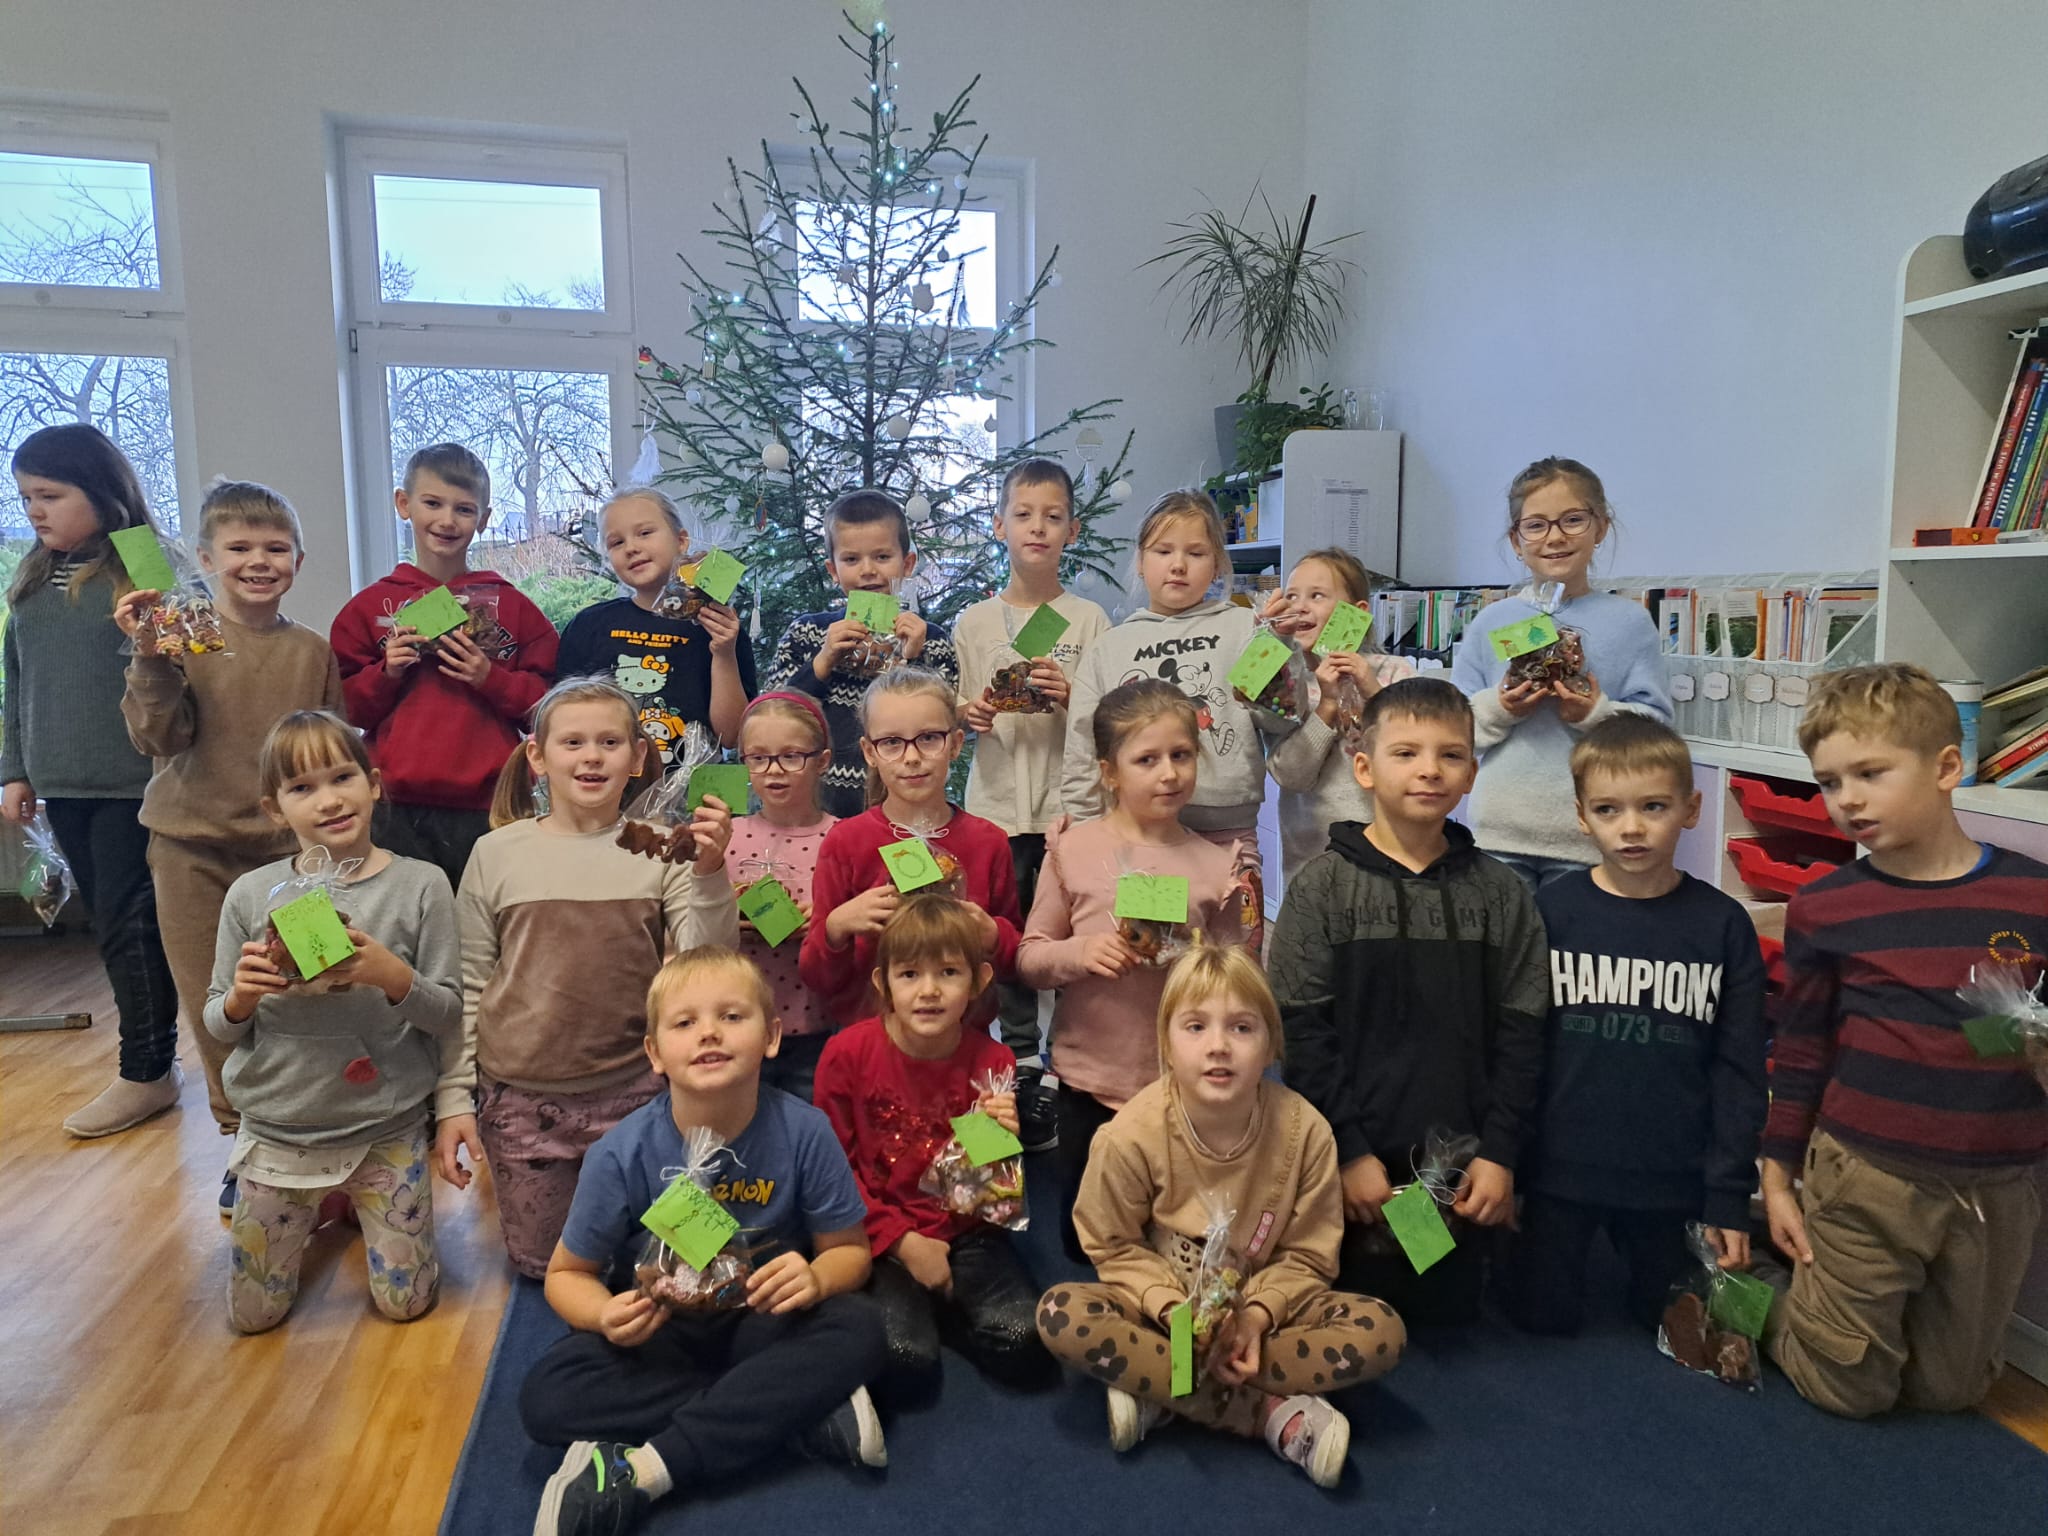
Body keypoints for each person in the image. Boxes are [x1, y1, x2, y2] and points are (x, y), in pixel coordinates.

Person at [520, 947, 889, 1536]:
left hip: (765, 1321)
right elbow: (568, 1276)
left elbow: (850, 1253)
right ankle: (791, 1408)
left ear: (772, 1037)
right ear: (654, 1053)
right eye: (685, 1022)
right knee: (547, 1397)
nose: (709, 1033)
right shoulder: (620, 1152)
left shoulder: (805, 1131)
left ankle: (647, 1469)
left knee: (862, 1326)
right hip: (661, 1332)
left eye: (732, 1016)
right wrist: (605, 1315)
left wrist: (818, 1277)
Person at [1762, 663, 2048, 1418]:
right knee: (1849, 1388)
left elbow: (2021, 1031)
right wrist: (1776, 1172)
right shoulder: (1827, 907)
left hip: (1994, 1186)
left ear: (1947, 768)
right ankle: (1762, 1295)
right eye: (1829, 783)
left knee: (1952, 1391)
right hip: (1867, 1173)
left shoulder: (2034, 897)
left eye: (1870, 773)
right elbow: (1801, 1048)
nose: (1847, 800)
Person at [1035, 944, 1405, 1489]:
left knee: (1381, 1332)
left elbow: (1309, 1255)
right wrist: (1172, 1311)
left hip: (1265, 1316)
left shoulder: (1307, 1133)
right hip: (1160, 1315)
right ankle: (1269, 1412)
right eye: (1195, 1026)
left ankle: (1161, 1388)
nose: (1218, 1046)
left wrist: (1254, 1317)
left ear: (1271, 1044)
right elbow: (1112, 1245)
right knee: (1062, 1314)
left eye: (1241, 1028)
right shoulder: (1129, 1135)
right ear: (1165, 1043)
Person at [1268, 678, 1548, 1324]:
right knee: (1346, 1316)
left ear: (1472, 773)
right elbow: (1302, 1032)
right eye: (1407, 753)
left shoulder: (1501, 894)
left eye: (1451, 755)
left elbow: (1524, 1031)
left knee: (1444, 1321)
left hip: (1461, 1172)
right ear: (1364, 768)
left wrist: (1500, 1153)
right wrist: (1348, 1151)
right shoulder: (1321, 889)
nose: (1430, 770)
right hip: (1349, 1167)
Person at [441, 677, 740, 1278]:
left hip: (640, 1089)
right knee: (542, 1266)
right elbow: (470, 984)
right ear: (537, 756)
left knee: (678, 1260)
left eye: (610, 742)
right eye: (573, 742)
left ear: (637, 756)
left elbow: (706, 964)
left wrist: (710, 872)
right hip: (522, 1098)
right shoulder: (496, 853)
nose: (592, 757)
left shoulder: (663, 848)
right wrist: (454, 1099)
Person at [1503, 714, 1768, 1336]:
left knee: (1672, 1322)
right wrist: (1509, 1163)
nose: (1631, 827)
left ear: (1691, 808)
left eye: (1653, 806)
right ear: (1581, 816)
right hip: (1559, 1172)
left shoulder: (1723, 924)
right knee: (1540, 1321)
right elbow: (1519, 1047)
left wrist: (1728, 1195)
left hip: (1670, 1178)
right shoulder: (1551, 911)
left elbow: (1740, 1069)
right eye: (1608, 809)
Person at [117, 478, 345, 1183]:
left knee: (319, 986)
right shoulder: (182, 637)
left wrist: (337, 848)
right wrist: (148, 657)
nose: (258, 561)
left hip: (293, 858)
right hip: (191, 854)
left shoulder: (312, 651)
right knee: (216, 1003)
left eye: (276, 548)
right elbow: (156, 737)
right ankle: (245, 1143)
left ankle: (323, 1125)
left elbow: (332, 760)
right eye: (240, 547)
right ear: (207, 559)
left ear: (298, 561)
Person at [203, 710, 460, 1333]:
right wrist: (241, 998)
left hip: (385, 1125)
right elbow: (217, 1023)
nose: (329, 800)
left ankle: (353, 1204)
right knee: (253, 1317)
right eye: (302, 787)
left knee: (406, 1306)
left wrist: (390, 975)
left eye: (342, 777)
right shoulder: (251, 894)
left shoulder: (422, 885)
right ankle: (319, 1207)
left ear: (373, 784)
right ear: (275, 809)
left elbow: (448, 1010)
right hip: (279, 1127)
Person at [1018, 679, 1248, 1260]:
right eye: (1147, 760)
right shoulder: (1073, 851)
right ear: (1109, 773)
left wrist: (1202, 964)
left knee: (1172, 1236)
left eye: (1182, 755)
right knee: (1085, 1242)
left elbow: (1237, 981)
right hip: (1088, 1083)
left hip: (1182, 1086)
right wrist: (1080, 954)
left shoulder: (1216, 865)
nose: (1169, 773)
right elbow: (1029, 958)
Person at [2, 423, 180, 1136]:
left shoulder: (143, 559)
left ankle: (146, 1071)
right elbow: (18, 682)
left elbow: (193, 655)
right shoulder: (32, 578)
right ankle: (152, 1066)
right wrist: (15, 771)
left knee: (129, 928)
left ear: (101, 494)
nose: (35, 510)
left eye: (50, 495)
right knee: (112, 925)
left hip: (135, 784)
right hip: (63, 785)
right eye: (26, 497)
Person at [814, 894, 1052, 1401]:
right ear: (883, 983)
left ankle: (941, 1313)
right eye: (909, 974)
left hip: (968, 1231)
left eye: (948, 972)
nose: (928, 991)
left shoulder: (994, 1060)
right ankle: (929, 1313)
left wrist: (1003, 1143)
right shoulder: (846, 1054)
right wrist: (904, 1244)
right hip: (879, 1233)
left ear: (979, 981)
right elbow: (832, 1173)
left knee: (1028, 1344)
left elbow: (985, 1191)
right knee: (905, 1361)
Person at [956, 457, 1112, 1152]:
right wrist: (971, 714)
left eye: (1053, 517)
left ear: (1072, 530)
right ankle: (1020, 1057)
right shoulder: (975, 621)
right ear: (1000, 526)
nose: (1038, 528)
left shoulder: (1089, 620)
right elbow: (961, 706)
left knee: (1068, 930)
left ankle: (1068, 1057)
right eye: (1023, 515)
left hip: (1066, 808)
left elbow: (1110, 719)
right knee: (1007, 930)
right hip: (994, 806)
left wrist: (1072, 695)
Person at [330, 443, 558, 891]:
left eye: (464, 509)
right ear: (404, 504)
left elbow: (549, 708)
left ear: (484, 519)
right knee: (400, 917)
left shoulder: (512, 607)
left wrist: (489, 679)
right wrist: (387, 674)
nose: (447, 520)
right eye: (432, 503)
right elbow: (345, 710)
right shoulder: (369, 608)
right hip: (392, 803)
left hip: (491, 802)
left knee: (484, 917)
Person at [1449, 457, 1670, 893]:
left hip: (1589, 837)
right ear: (1516, 540)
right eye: (1535, 525)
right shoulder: (1492, 622)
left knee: (1575, 939)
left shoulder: (1629, 622)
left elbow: (1658, 732)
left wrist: (1594, 715)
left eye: (1572, 520)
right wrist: (1501, 708)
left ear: (1600, 527)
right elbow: (1453, 729)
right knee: (1502, 939)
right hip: (1498, 833)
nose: (1554, 537)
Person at [1061, 488, 1276, 877]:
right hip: (1139, 838)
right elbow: (1082, 748)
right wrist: (1082, 833)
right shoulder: (1110, 647)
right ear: (1140, 561)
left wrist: (1278, 649)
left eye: (1195, 553)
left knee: (1234, 918)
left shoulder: (1246, 629)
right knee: (1153, 920)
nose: (1178, 565)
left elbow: (1279, 718)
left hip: (1228, 835)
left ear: (1217, 563)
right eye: (1163, 551)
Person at [799, 666, 1020, 1033]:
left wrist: (994, 936)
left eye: (929, 738)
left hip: (964, 1043)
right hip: (871, 1042)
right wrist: (837, 927)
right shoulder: (845, 842)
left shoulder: (988, 841)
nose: (912, 757)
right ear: (869, 752)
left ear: (956, 744)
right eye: (891, 742)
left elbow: (1016, 965)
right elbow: (817, 976)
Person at [761, 489, 959, 819]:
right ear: (833, 570)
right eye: (851, 560)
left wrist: (911, 660)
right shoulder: (807, 633)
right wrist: (822, 662)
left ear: (907, 564)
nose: (867, 570)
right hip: (814, 815)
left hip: (904, 815)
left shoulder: (931, 640)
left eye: (882, 557)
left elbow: (944, 727)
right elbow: (769, 719)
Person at [555, 485, 756, 758]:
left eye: (645, 533)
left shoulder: (718, 628)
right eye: (617, 543)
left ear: (681, 540)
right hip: (608, 781)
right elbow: (562, 721)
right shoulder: (588, 626)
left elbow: (732, 736)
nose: (631, 548)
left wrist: (723, 653)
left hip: (694, 781)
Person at [1261, 547, 1414, 886]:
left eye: (1316, 596)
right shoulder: (1284, 687)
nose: (1300, 606)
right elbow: (1291, 776)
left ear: (1356, 612)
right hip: (1312, 865)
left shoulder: (1393, 672)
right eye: (1291, 596)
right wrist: (1327, 706)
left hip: (1391, 859)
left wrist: (1373, 692)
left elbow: (1413, 753)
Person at [727, 691, 838, 1100]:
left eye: (791, 756)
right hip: (737, 1026)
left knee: (809, 1127)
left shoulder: (843, 838)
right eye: (758, 757)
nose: (774, 770)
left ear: (822, 760)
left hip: (818, 1028)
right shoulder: (726, 836)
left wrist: (827, 922)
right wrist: (729, 920)